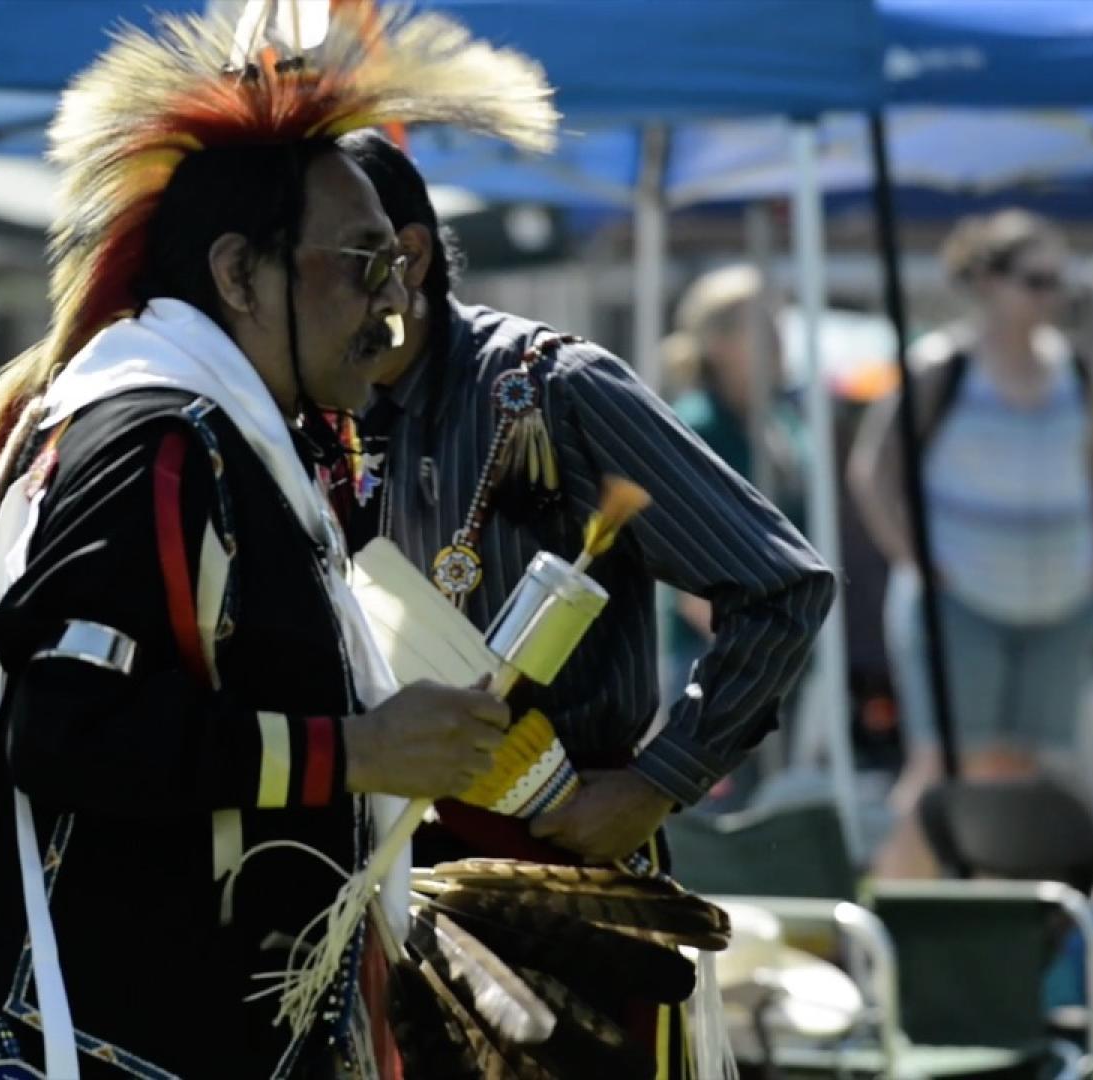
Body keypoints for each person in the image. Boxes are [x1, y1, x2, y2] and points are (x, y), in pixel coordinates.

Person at [0, 9, 555, 1079]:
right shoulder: (154, 443)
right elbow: (65, 726)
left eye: (403, 269)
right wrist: (361, 751)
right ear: (240, 274)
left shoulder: (241, 443)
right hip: (93, 1045)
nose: (394, 309)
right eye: (361, 265)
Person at [339, 130, 835, 871]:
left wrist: (659, 781)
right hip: (365, 857)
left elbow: (780, 584)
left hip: (556, 855)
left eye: (311, 263)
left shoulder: (552, 387)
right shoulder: (298, 416)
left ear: (405, 256)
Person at [848, 210, 1093, 876]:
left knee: (1021, 770)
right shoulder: (943, 366)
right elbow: (872, 470)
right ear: (986, 282)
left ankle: (997, 929)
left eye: (1060, 281)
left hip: (1062, 604)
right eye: (1035, 280)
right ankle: (890, 921)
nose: (1051, 296)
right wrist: (914, 558)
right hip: (960, 602)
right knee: (946, 764)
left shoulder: (1076, 369)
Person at [660, 265, 810, 720]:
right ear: (718, 343)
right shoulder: (695, 425)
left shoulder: (782, 422)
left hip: (784, 649)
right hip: (719, 657)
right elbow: (676, 549)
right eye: (761, 326)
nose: (778, 340)